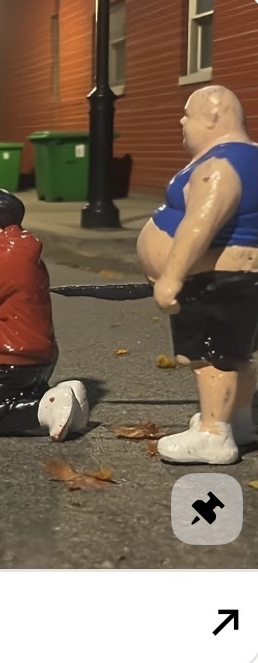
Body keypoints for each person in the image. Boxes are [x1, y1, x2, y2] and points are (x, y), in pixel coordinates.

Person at [136, 85, 258, 464]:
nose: (182, 121)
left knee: (211, 356)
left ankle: (213, 434)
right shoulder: (251, 156)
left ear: (213, 116)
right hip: (239, 274)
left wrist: (171, 277)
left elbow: (199, 226)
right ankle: (238, 420)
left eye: (188, 114)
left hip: (215, 276)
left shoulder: (221, 165)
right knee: (236, 353)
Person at [0, 187, 88, 439]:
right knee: (14, 395)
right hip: (40, 357)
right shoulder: (24, 253)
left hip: (15, 360)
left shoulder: (3, 259)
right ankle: (66, 401)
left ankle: (46, 408)